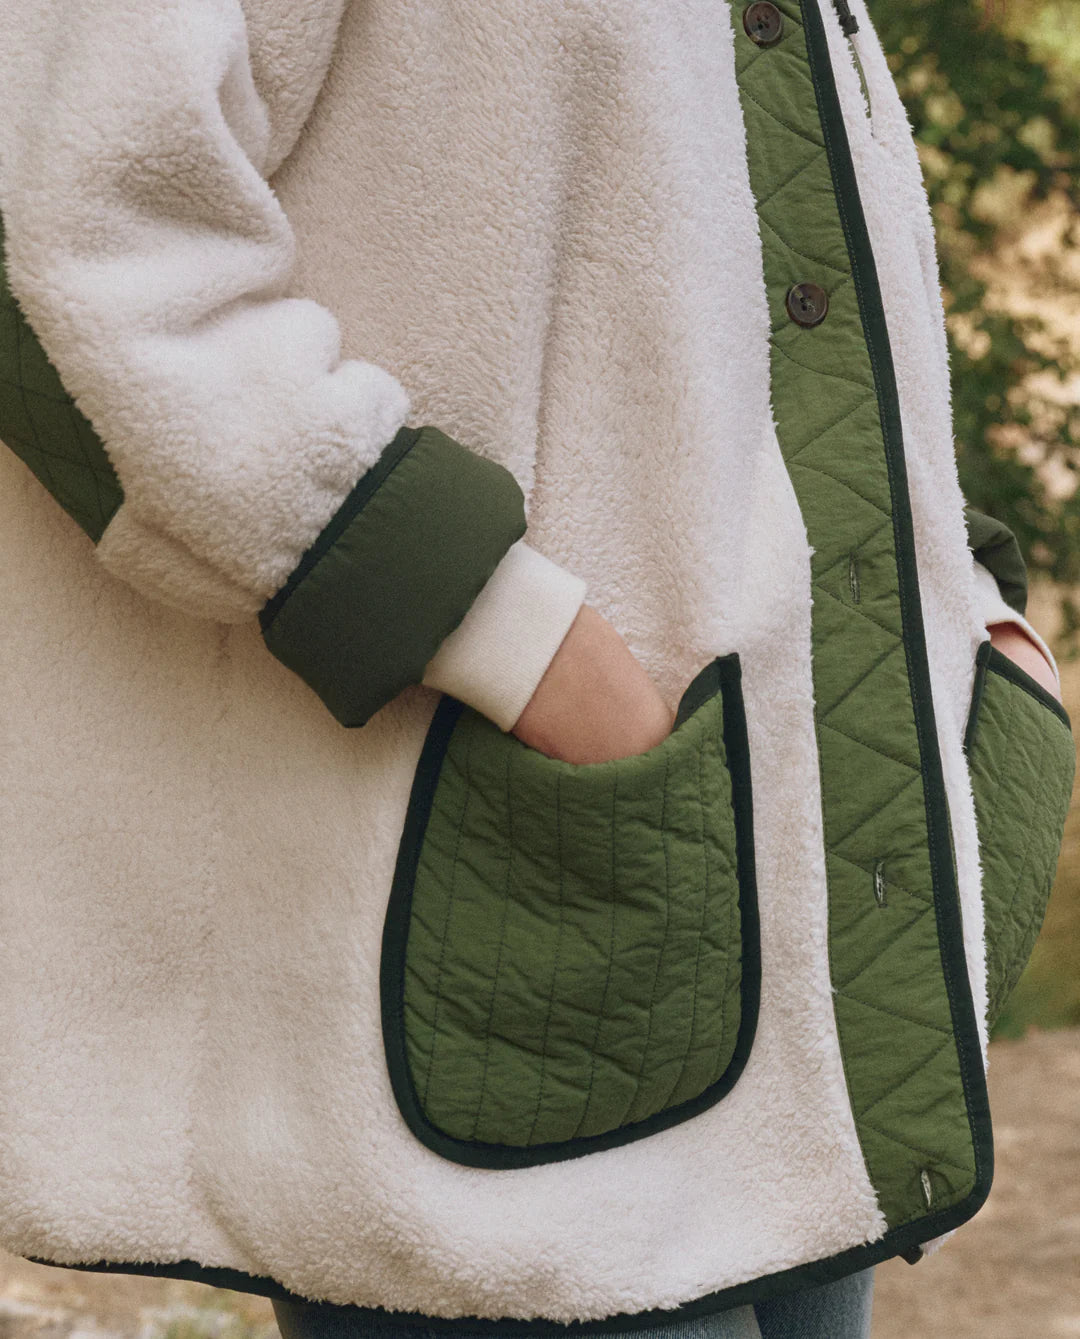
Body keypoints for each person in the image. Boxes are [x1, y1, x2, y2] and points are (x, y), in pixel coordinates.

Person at [0, 2, 1072, 1339]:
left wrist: (971, 610)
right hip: (494, 868)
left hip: (804, 876)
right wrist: (505, 633)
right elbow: (56, 226)